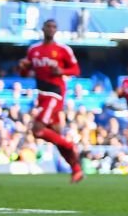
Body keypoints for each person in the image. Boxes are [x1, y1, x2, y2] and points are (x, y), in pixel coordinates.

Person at [18, 19, 84, 183]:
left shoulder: (63, 50)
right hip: (41, 94)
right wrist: (23, 67)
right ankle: (76, 169)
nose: (51, 29)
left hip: (54, 93)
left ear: (57, 30)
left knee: (38, 129)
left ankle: (70, 145)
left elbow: (76, 70)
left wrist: (62, 70)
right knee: (56, 136)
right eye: (48, 26)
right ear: (43, 28)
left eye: (54, 27)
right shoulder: (34, 50)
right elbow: (24, 74)